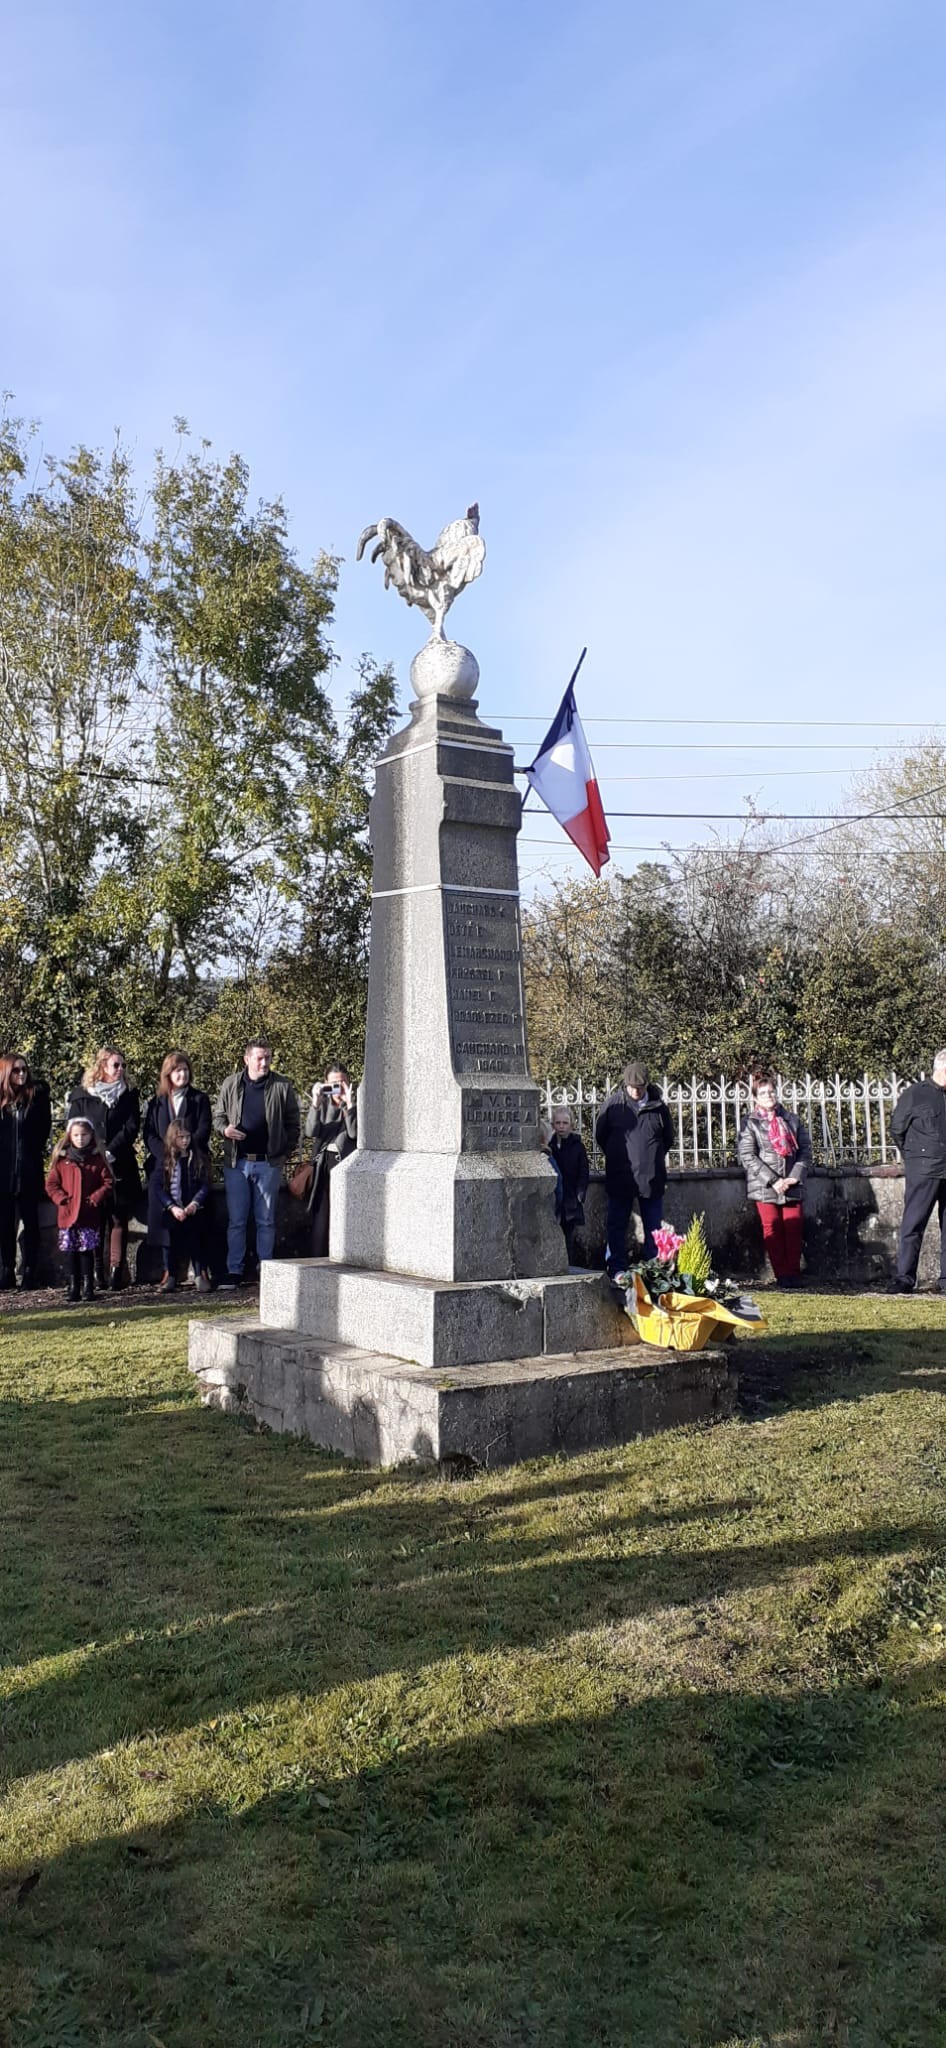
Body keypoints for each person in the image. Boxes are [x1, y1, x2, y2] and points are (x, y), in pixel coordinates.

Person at [213, 1038, 301, 1288]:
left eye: (268, 1058)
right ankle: (234, 1271)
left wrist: (283, 1153)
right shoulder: (231, 1084)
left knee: (266, 1220)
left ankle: (267, 1269)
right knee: (237, 1221)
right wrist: (225, 1130)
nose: (265, 1062)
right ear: (247, 1059)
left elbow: (293, 1124)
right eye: (260, 1058)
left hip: (268, 1163)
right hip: (237, 1163)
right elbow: (218, 1117)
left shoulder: (282, 1086)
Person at [67, 1048, 141, 1290]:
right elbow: (75, 1128)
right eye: (115, 1065)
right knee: (95, 1218)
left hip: (121, 1163)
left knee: (118, 1218)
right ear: (102, 1067)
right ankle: (97, 1272)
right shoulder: (82, 1097)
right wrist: (96, 1152)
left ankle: (115, 1271)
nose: (120, 1070)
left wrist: (112, 1151)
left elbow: (131, 1127)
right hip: (91, 1164)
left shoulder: (129, 1095)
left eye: (122, 1065)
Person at [595, 1061, 674, 1277]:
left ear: (647, 1085)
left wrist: (652, 1158)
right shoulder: (613, 1106)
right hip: (620, 1177)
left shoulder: (659, 1108)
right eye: (631, 1087)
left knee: (654, 1229)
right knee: (616, 1226)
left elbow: (668, 1139)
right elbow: (600, 1136)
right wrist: (617, 1157)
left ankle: (653, 1272)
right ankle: (617, 1269)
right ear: (625, 1084)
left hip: (652, 1177)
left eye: (639, 1087)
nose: (635, 1091)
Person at [737, 1071, 812, 1288]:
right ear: (755, 1098)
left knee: (794, 1227)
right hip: (765, 1185)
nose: (769, 1096)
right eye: (763, 1093)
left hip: (791, 1183)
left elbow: (805, 1151)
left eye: (771, 1091)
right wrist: (773, 1180)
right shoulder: (749, 1123)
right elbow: (748, 1155)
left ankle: (793, 1273)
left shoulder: (792, 1120)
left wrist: (793, 1177)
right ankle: (782, 1275)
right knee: (773, 1228)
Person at [143, 1053, 212, 1260]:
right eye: (177, 1070)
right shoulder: (157, 1102)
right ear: (168, 1074)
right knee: (165, 1218)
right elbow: (149, 1133)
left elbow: (204, 1128)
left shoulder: (199, 1099)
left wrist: (187, 1147)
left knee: (197, 1219)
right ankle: (168, 1269)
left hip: (192, 1162)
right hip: (165, 1165)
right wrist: (167, 1152)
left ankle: (200, 1268)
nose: (182, 1074)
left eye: (185, 1069)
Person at [890, 1050, 946, 1293]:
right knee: (913, 1225)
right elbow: (897, 1129)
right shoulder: (915, 1094)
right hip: (923, 1171)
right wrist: (915, 1158)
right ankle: (904, 1278)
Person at [45, 1117, 113, 1304]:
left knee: (86, 1251)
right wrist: (61, 1199)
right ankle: (73, 1285)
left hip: (88, 1215)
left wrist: (94, 1199)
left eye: (84, 1135)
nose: (80, 1139)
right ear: (69, 1136)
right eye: (76, 1135)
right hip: (68, 1215)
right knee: (70, 1252)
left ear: (91, 1136)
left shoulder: (97, 1160)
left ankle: (88, 1285)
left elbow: (107, 1182)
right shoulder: (62, 1161)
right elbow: (51, 1184)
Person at [0, 1054, 52, 1290]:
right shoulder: (2, 1102)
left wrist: (30, 1155)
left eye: (24, 1070)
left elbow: (43, 1132)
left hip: (28, 1170)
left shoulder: (36, 1098)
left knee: (31, 1223)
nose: (21, 1074)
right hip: (4, 1171)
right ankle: (6, 1269)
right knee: (4, 1224)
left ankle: (30, 1270)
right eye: (16, 1071)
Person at [305, 1065, 358, 1256]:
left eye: (342, 1082)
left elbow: (354, 1133)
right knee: (322, 1213)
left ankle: (344, 1254)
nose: (338, 1087)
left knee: (344, 1211)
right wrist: (315, 1103)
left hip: (345, 1163)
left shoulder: (356, 1105)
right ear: (326, 1084)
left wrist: (349, 1105)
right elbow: (311, 1131)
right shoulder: (323, 1104)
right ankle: (318, 1256)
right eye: (333, 1084)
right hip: (324, 1163)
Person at [155, 1119, 211, 1293]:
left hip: (193, 1210)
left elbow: (205, 1184)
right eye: (180, 1137)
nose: (185, 1141)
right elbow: (158, 1187)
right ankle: (170, 1274)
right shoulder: (165, 1160)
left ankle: (200, 1274)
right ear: (173, 1138)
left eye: (187, 1136)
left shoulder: (198, 1158)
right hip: (172, 1210)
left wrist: (195, 1203)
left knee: (197, 1241)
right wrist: (172, 1207)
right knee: (169, 1243)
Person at [547, 1105, 590, 1266]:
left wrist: (580, 1194)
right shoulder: (550, 1146)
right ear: (553, 1125)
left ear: (571, 1124)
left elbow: (583, 1171)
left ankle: (569, 1266)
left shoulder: (577, 1145)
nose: (561, 1127)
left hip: (571, 1198)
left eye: (565, 1123)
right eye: (558, 1123)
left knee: (569, 1238)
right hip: (555, 1197)